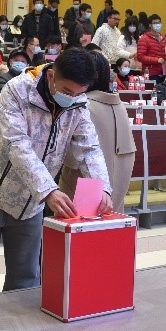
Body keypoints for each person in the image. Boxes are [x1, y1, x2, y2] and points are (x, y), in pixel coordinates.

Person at [0, 48, 112, 300]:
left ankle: (16, 324)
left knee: (26, 279)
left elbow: (89, 148)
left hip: (31, 204)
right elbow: (17, 144)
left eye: (79, 93)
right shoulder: (17, 90)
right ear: (51, 75)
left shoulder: (79, 103)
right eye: (67, 91)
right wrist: (48, 190)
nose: (73, 98)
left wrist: (102, 187)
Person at [60, 50, 136, 213]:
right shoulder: (121, 106)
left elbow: (71, 158)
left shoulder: (81, 105)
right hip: (118, 189)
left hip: (82, 189)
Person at [136, 15, 166, 80]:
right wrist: (156, 60)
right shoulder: (144, 39)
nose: (158, 25)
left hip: (163, 72)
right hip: (150, 74)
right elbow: (140, 57)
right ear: (150, 25)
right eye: (155, 23)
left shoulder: (164, 38)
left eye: (159, 22)